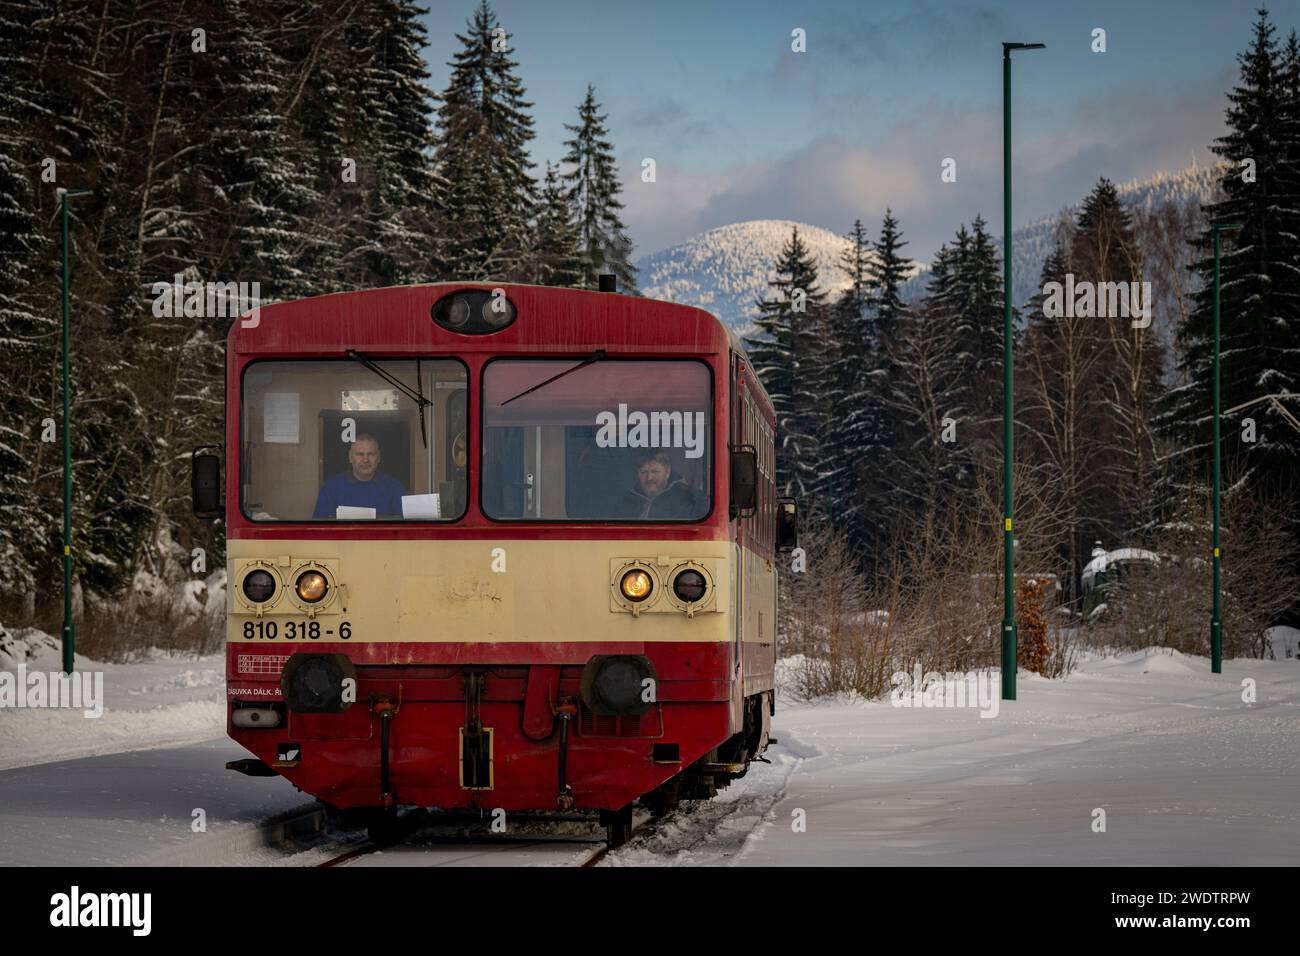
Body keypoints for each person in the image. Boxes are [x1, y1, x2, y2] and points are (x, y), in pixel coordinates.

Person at [312, 433, 407, 518]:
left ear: (378, 458)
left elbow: (406, 529)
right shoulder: (331, 487)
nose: (365, 460)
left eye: (371, 454)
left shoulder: (394, 488)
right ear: (350, 457)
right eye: (360, 454)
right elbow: (318, 529)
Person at [618, 451, 706, 519]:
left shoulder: (690, 498)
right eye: (644, 472)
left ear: (667, 472)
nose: (649, 478)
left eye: (655, 472)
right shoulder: (627, 500)